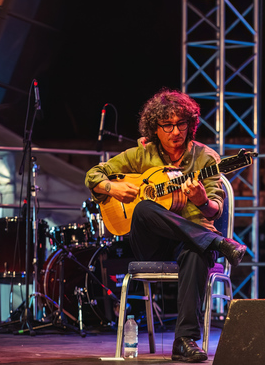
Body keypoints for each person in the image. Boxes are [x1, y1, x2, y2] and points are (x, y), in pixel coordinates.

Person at [85, 88, 247, 363]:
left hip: (191, 242)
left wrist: (202, 200)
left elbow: (215, 208)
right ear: (154, 128)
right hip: (152, 244)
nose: (176, 132)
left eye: (181, 124)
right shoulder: (141, 154)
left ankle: (184, 341)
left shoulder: (206, 159)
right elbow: (93, 175)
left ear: (190, 125)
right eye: (167, 125)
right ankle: (218, 243)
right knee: (146, 207)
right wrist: (111, 188)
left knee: (197, 249)